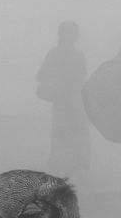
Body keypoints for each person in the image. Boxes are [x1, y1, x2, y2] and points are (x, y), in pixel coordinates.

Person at [36, 20, 90, 177]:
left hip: (74, 102)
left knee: (73, 138)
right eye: (69, 32)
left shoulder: (78, 55)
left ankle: (69, 173)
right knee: (60, 137)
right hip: (62, 102)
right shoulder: (55, 53)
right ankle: (57, 173)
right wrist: (59, 79)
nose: (72, 36)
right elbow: (41, 75)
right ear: (62, 34)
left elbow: (83, 80)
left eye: (73, 33)